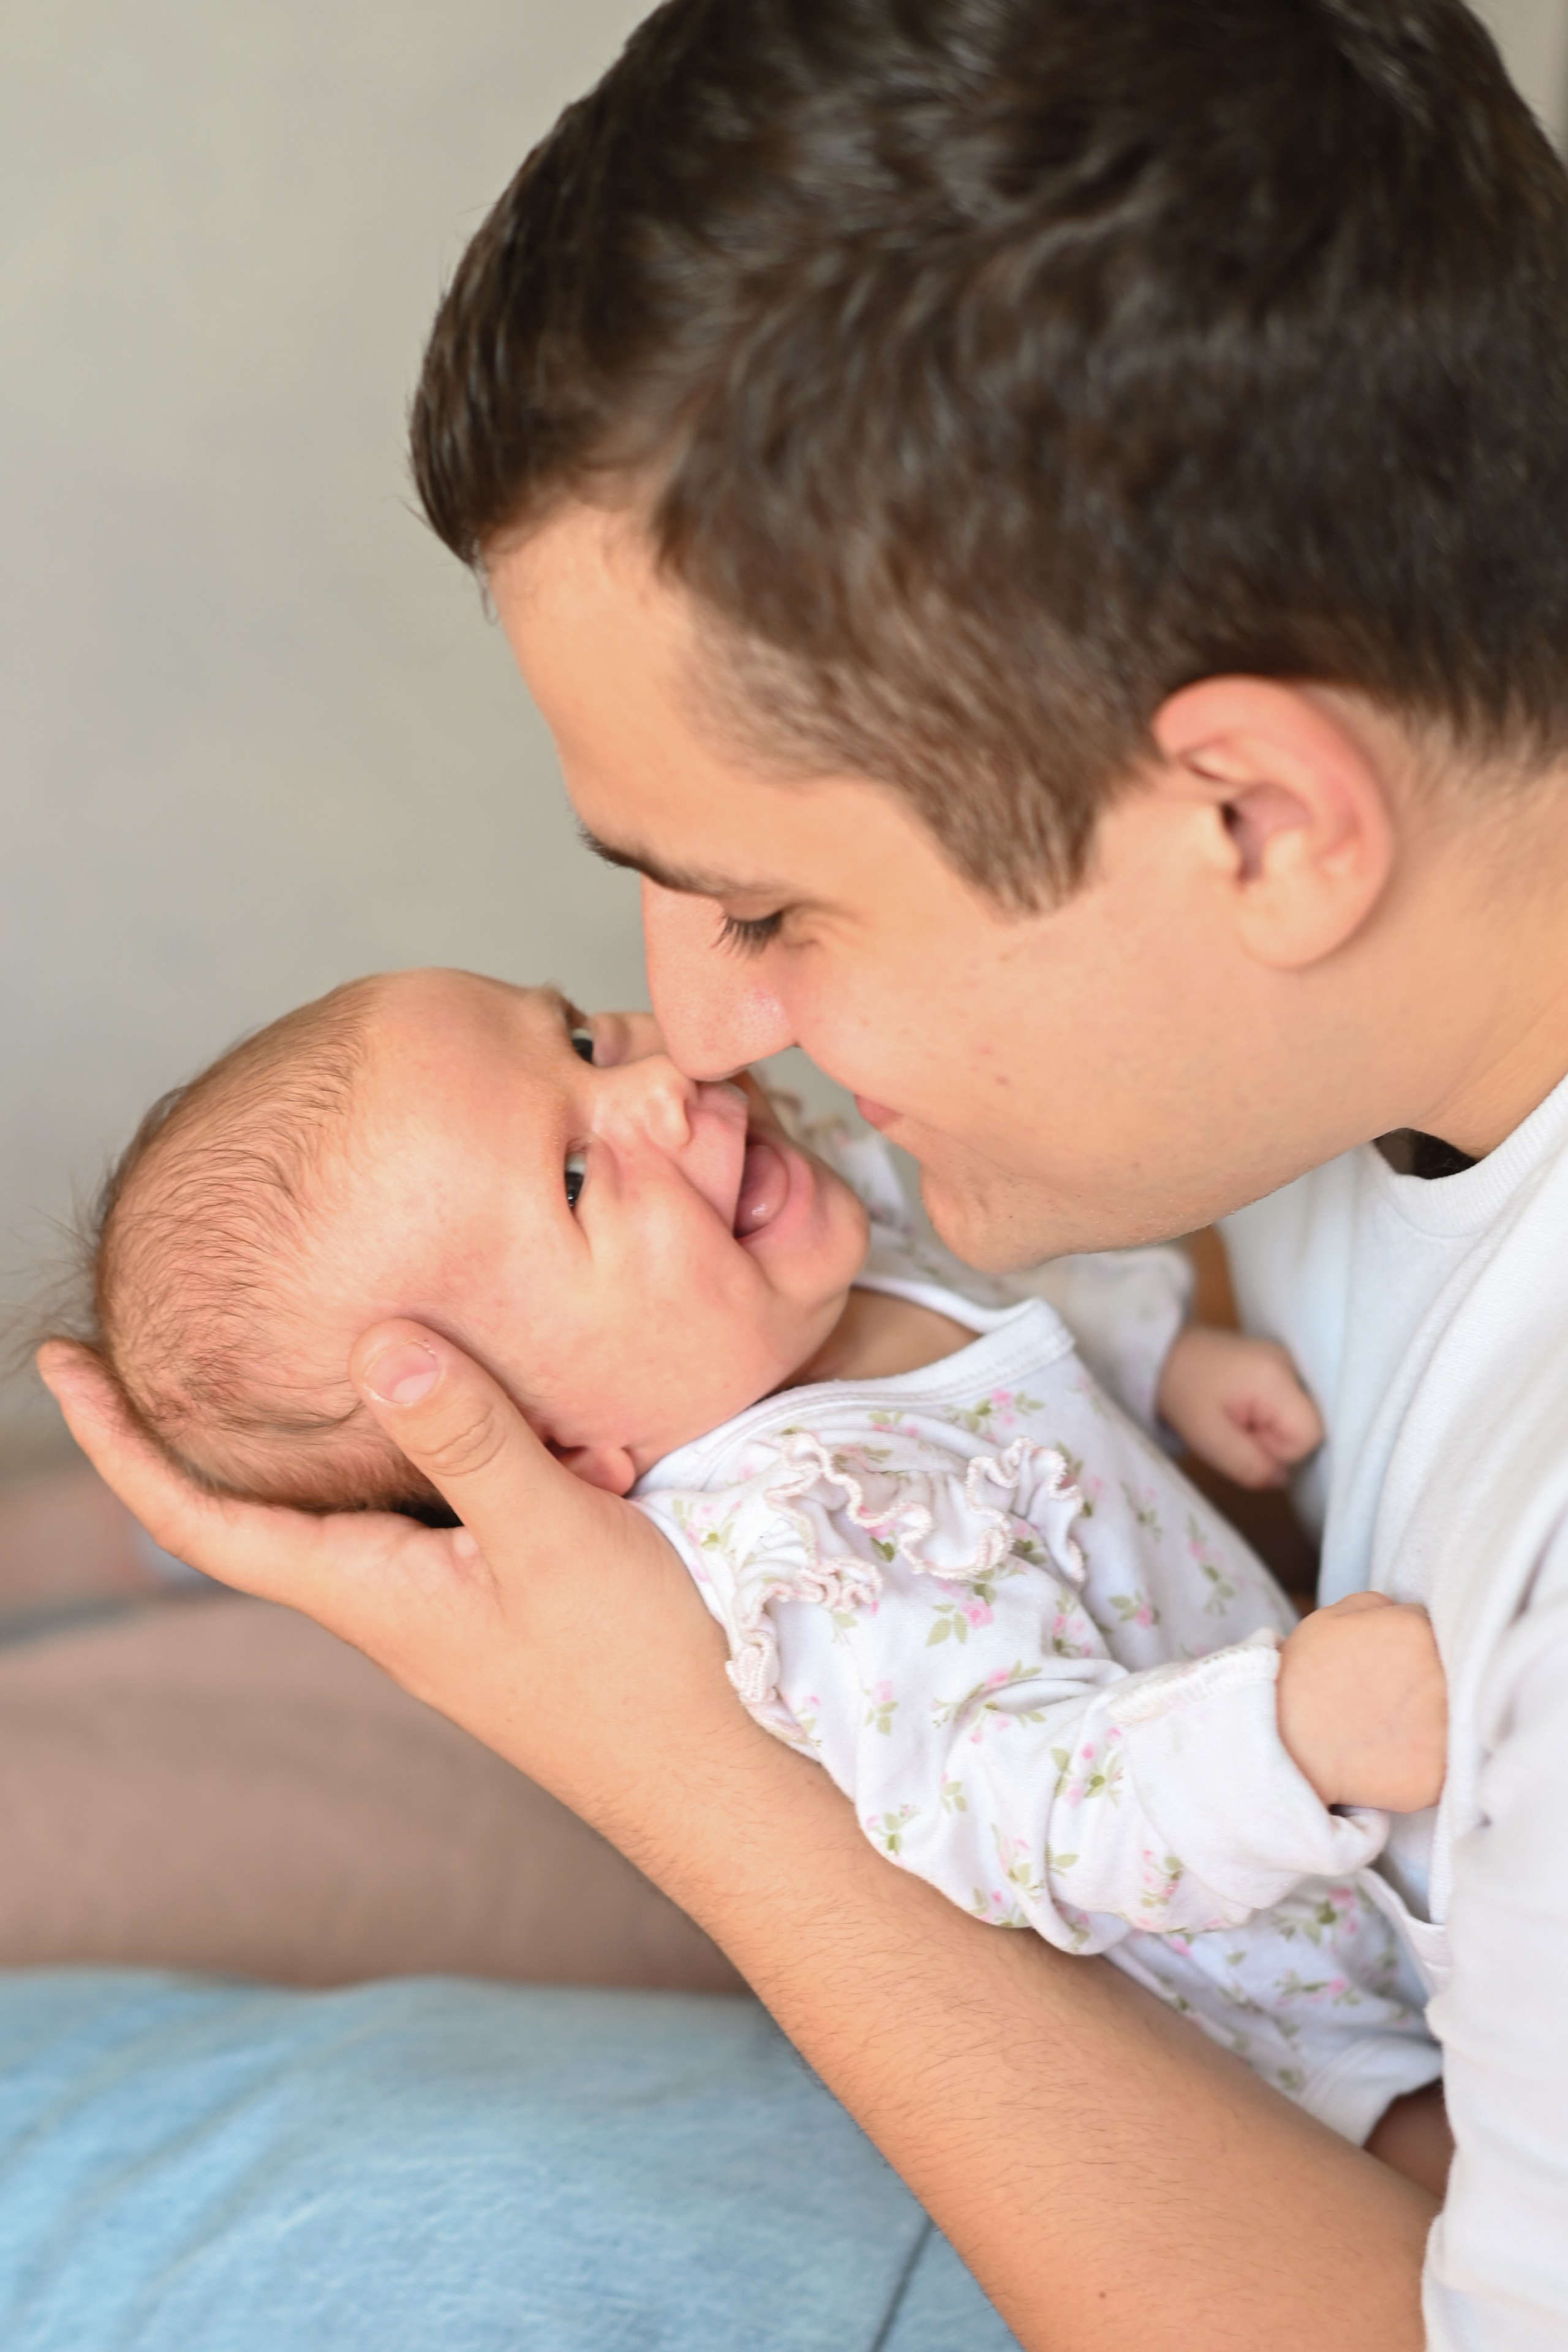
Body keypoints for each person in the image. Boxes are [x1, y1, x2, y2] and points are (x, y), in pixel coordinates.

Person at [31, 0, 1568, 2343]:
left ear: (1260, 823)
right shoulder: (1328, 1078)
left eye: (764, 908)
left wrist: (670, 1756)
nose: (705, 1032)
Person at [74, 959, 1447, 2144]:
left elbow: (993, 1301)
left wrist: (1161, 1359)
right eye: (571, 1178)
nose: (659, 1090)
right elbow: (1012, 1807)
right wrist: (1284, 1741)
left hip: (1359, 1815)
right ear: (555, 1460)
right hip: (1284, 2014)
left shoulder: (799, 1247)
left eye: (578, 1039)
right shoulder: (804, 1554)